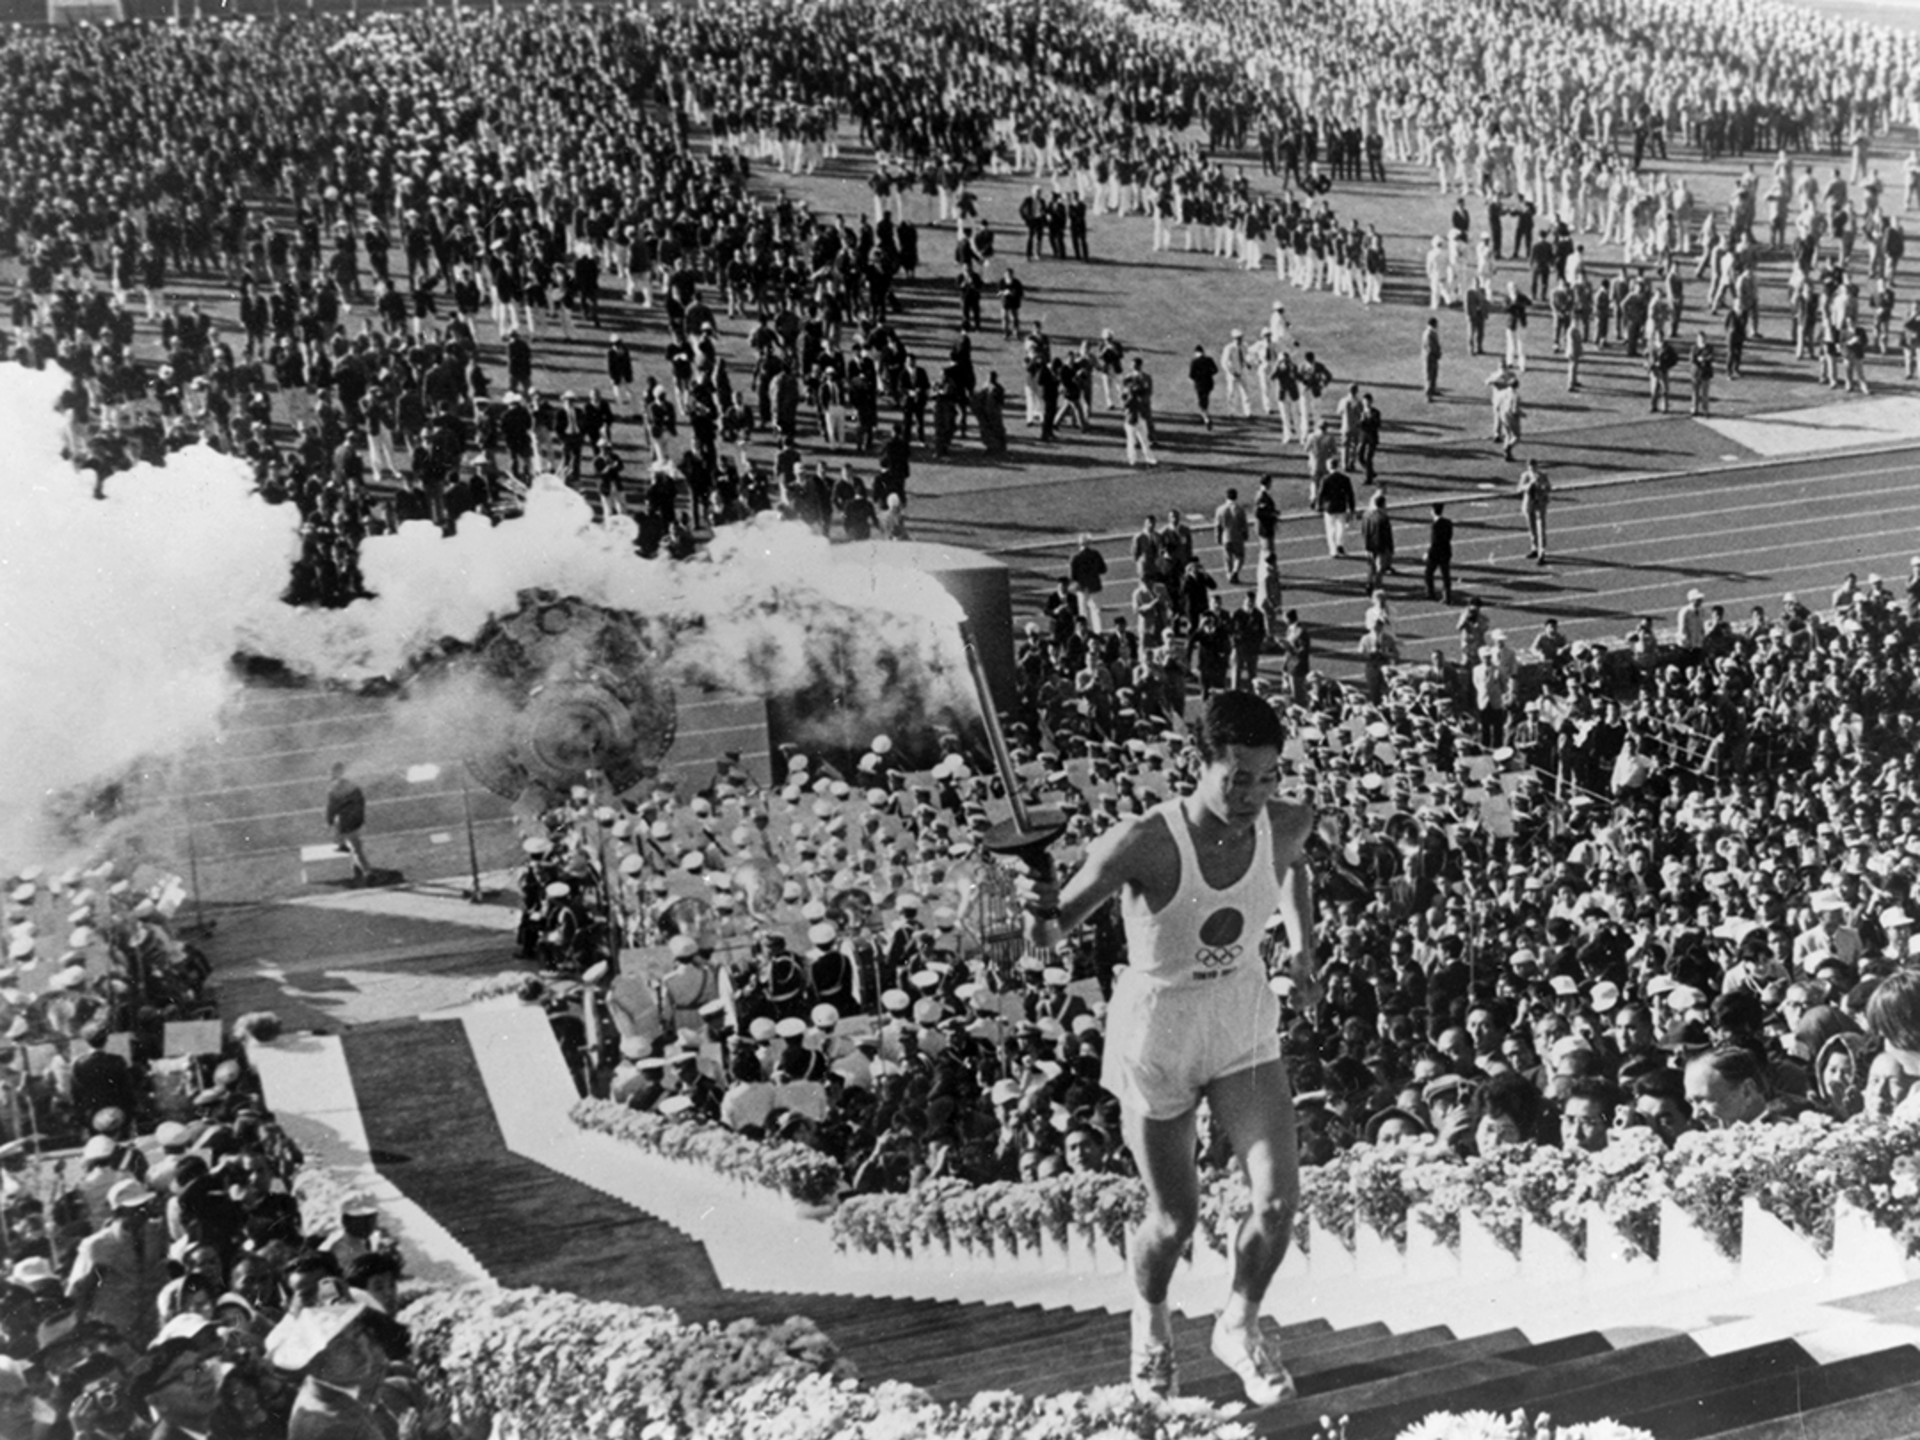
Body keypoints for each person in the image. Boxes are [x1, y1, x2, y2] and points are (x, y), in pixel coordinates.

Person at [1023, 692, 1318, 1408]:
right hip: (1158, 1031)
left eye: (1267, 776)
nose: (1253, 794)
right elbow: (1047, 935)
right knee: (1173, 1219)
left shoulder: (1288, 819)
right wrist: (1033, 903)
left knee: (1278, 1202)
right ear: (1202, 763)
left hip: (1241, 1019)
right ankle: (1150, 1320)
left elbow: (1293, 865)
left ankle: (1239, 1324)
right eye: (1237, 776)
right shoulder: (1143, 841)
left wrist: (1304, 950)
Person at [324, 762, 373, 885]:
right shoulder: (352, 785)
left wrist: (328, 822)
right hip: (355, 818)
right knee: (341, 830)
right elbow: (360, 800)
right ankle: (341, 844)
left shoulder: (333, 789)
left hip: (347, 821)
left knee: (357, 848)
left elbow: (332, 809)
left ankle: (367, 871)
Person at [1214, 488, 1250, 585]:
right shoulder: (1240, 509)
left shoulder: (1220, 509)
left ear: (1226, 497)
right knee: (1240, 557)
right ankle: (1235, 571)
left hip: (1226, 537)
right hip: (1237, 536)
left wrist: (1217, 537)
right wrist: (1246, 535)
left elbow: (1218, 526)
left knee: (1227, 558)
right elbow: (1244, 524)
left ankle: (1229, 574)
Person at [1517, 460, 1551, 564]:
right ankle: (1534, 548)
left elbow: (1549, 488)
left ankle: (1542, 552)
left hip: (1540, 503)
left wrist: (1543, 486)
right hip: (1529, 504)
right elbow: (1519, 489)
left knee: (1541, 528)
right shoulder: (1525, 476)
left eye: (1534, 467)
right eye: (1531, 468)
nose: (1533, 470)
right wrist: (1529, 484)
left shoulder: (1543, 475)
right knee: (1532, 527)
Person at [1424, 503, 1455, 603]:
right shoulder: (1448, 522)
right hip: (1446, 551)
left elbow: (1434, 542)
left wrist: (1428, 554)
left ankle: (1430, 593)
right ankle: (1447, 596)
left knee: (1428, 573)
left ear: (1433, 511)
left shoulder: (1435, 525)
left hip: (1435, 554)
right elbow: (1449, 537)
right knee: (1446, 575)